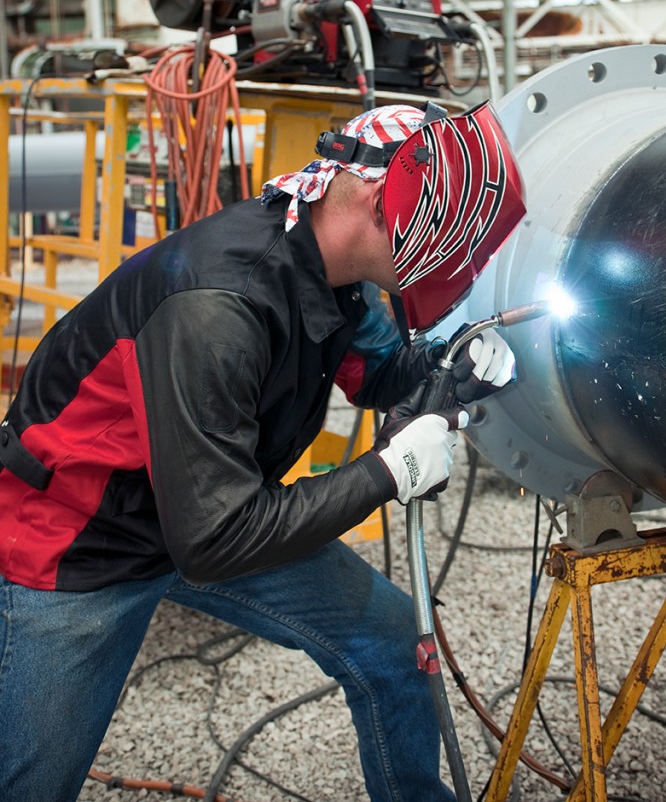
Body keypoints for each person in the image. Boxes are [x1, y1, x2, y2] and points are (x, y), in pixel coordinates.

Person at [0, 100, 525, 802]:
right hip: (81, 541)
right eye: (450, 231)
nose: (458, 253)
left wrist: (447, 363)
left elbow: (372, 373)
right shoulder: (217, 305)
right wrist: (389, 469)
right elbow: (217, 540)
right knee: (31, 784)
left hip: (215, 505)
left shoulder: (326, 267)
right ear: (378, 196)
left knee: (395, 639)